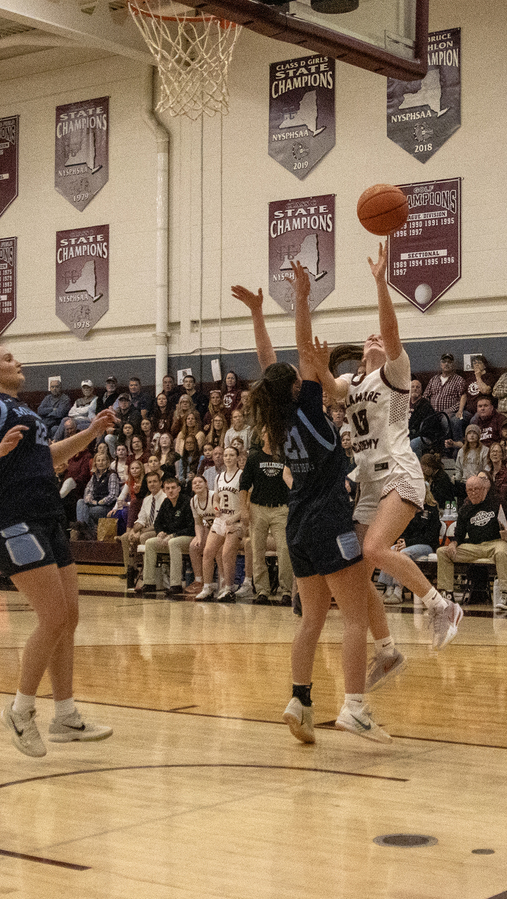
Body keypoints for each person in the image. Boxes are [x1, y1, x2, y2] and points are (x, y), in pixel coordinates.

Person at [234, 264, 389, 744]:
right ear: (299, 388)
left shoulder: (277, 416)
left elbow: (270, 365)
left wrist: (259, 314)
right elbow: (301, 352)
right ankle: (356, 707)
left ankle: (299, 698)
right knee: (356, 615)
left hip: (298, 522)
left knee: (312, 620)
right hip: (327, 518)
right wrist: (301, 298)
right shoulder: (308, 409)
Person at [0, 345, 115, 757]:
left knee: (68, 619)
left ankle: (66, 715)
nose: (17, 363)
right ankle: (21, 711)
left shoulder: (25, 410)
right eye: (7, 359)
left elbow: (46, 457)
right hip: (13, 519)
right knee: (53, 617)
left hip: (47, 516)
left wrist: (90, 435)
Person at [318, 243, 464, 671]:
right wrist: (312, 357)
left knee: (377, 548)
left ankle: (441, 605)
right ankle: (386, 651)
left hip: (399, 471)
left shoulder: (394, 373)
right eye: (370, 338)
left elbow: (391, 329)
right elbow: (327, 384)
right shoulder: (352, 382)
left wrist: (381, 283)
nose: (376, 337)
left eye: (381, 336)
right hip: (366, 482)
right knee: (357, 576)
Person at [436, 473, 507, 612]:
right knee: (442, 552)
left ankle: (505, 594)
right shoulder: (465, 509)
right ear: (466, 492)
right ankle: (447, 594)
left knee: (502, 552)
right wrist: (453, 544)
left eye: (476, 489)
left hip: (495, 543)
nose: (473, 493)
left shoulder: (497, 501)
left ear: (483, 488)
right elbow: (459, 535)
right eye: (469, 490)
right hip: (473, 547)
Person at [240, 427, 294, 606]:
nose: (270, 435)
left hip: (281, 508)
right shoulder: (254, 457)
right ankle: (262, 590)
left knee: (284, 549)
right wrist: (244, 510)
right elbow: (244, 485)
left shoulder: (285, 457)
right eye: (266, 432)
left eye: (273, 432)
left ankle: (286, 590)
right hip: (258, 508)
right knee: (257, 550)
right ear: (262, 436)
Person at [199, 444, 248, 602]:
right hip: (221, 520)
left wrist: (233, 519)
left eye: (231, 455)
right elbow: (215, 498)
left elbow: (247, 504)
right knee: (208, 552)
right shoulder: (219, 477)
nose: (227, 458)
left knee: (227, 554)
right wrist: (215, 508)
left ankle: (229, 588)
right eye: (225, 455)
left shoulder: (242, 476)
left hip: (236, 520)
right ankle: (207, 587)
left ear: (237, 458)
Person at [139, 474, 195, 597]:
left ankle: (175, 585)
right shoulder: (166, 502)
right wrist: (160, 532)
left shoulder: (187, 502)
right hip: (170, 537)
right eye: (168, 488)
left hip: (188, 537)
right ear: (164, 490)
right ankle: (149, 582)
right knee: (150, 543)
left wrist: (173, 535)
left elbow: (191, 528)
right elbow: (158, 522)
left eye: (173, 487)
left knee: (173, 543)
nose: (170, 491)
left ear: (178, 488)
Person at [119, 468, 164, 589]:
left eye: (155, 481)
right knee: (125, 537)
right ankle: (131, 569)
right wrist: (134, 531)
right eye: (149, 482)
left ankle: (146, 574)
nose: (152, 484)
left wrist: (141, 531)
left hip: (159, 530)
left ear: (160, 483)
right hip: (146, 528)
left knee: (144, 537)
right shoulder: (147, 499)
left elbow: (159, 523)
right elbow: (141, 519)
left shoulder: (165, 498)